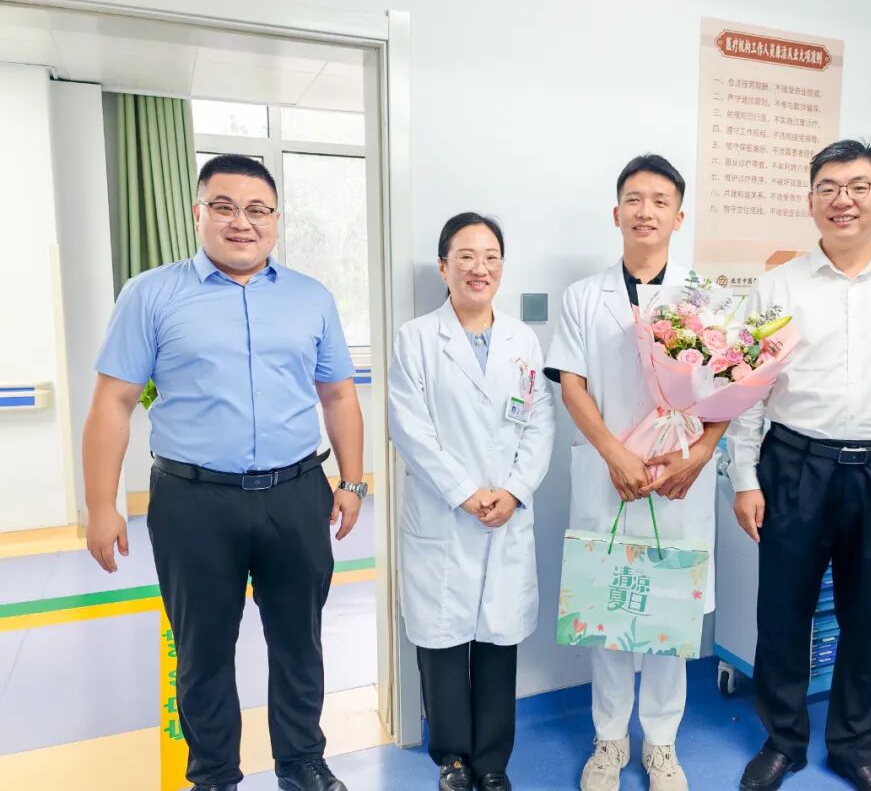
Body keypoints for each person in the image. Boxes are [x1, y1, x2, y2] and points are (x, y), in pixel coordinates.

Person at [83, 154, 363, 791]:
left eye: (258, 209)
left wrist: (352, 481)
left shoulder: (310, 297)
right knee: (202, 648)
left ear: (277, 220)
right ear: (198, 213)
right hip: (193, 500)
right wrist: (101, 505)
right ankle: (213, 775)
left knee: (300, 641)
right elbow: (112, 403)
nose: (243, 222)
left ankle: (302, 761)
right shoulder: (151, 294)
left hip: (297, 493)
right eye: (225, 207)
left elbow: (339, 396)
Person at [727, 140, 871, 791]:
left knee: (868, 615)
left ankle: (855, 744)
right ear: (810, 201)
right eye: (828, 187)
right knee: (783, 613)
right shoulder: (776, 287)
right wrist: (745, 477)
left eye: (857, 186)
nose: (842, 200)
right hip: (795, 466)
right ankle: (783, 742)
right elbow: (747, 389)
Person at [545, 155, 726, 791]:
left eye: (659, 201)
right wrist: (613, 454)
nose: (645, 211)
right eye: (633, 199)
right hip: (607, 476)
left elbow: (727, 392)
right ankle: (609, 740)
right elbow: (572, 385)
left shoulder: (704, 296)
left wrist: (698, 455)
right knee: (609, 611)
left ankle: (663, 744)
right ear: (616, 212)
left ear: (679, 216)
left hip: (678, 479)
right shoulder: (583, 296)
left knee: (670, 615)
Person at [388, 212, 555, 791]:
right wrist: (465, 493)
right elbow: (409, 428)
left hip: (506, 511)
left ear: (501, 267)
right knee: (442, 640)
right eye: (465, 256)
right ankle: (451, 758)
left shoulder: (522, 340)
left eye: (490, 257)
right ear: (444, 267)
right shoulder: (416, 339)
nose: (479, 268)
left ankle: (491, 761)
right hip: (444, 512)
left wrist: (513, 491)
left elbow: (539, 422)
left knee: (497, 640)